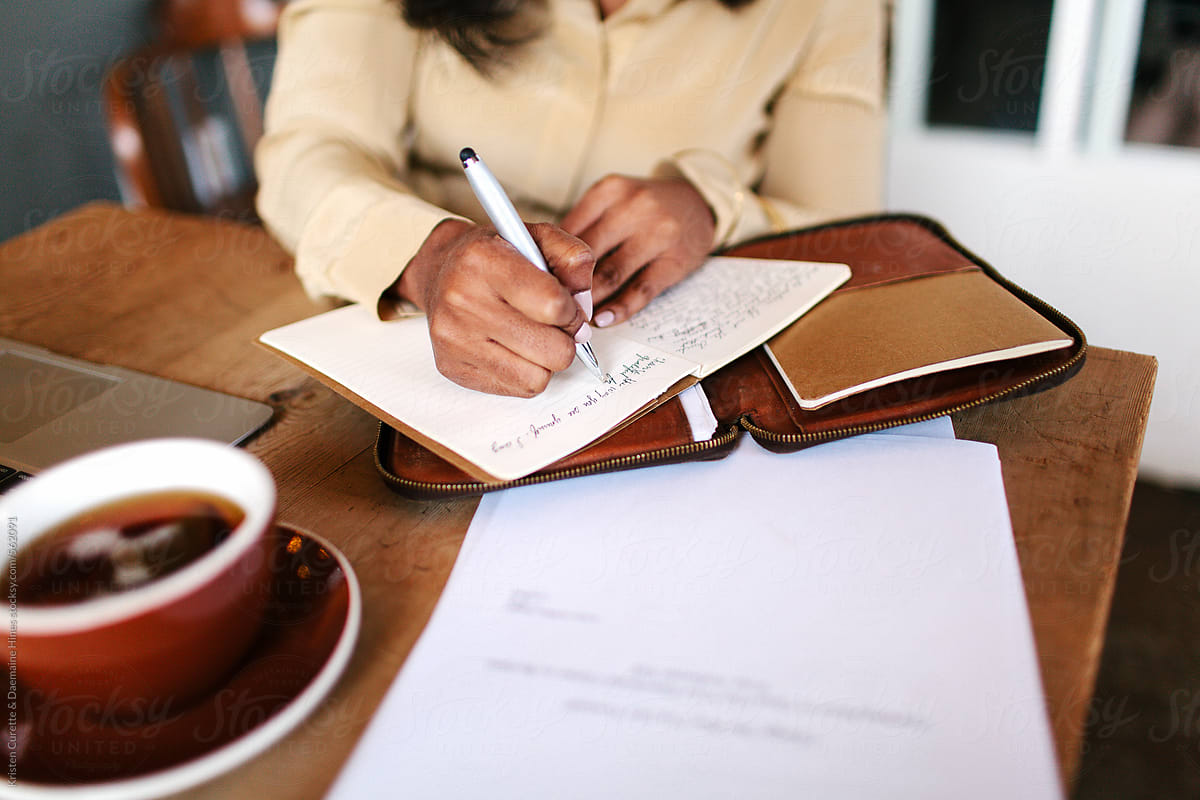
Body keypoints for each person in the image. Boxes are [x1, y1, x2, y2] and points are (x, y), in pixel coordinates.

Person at [256, 0, 885, 397]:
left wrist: (712, 204)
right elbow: (307, 152)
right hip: (398, 375)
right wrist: (429, 256)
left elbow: (848, 230)